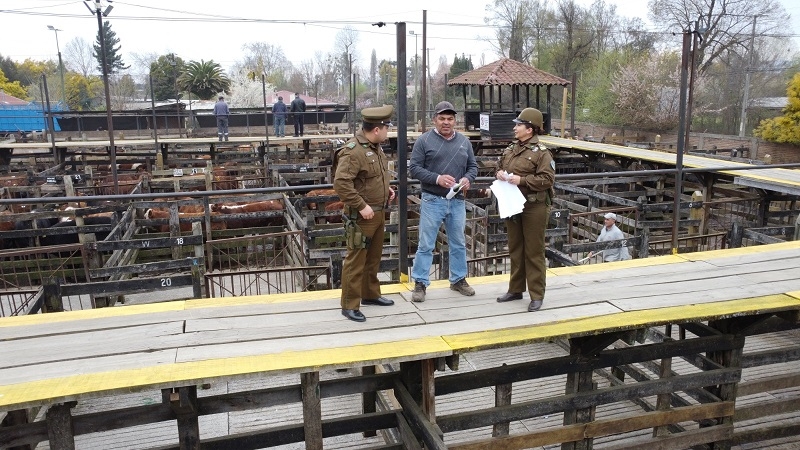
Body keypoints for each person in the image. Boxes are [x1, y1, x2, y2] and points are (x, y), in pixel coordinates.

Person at [409, 101, 478, 303]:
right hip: (432, 199)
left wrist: (468, 179)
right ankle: (420, 283)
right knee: (426, 243)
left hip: (457, 200)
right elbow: (414, 169)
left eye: (450, 119)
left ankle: (458, 279)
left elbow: (473, 167)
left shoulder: (464, 142)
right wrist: (437, 178)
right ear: (434, 120)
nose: (446, 122)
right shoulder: (423, 141)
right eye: (442, 118)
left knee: (458, 242)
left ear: (455, 120)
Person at [333, 105, 396, 322]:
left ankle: (370, 294)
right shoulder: (354, 150)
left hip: (378, 212)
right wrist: (361, 206)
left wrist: (385, 187)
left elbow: (371, 176)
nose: (388, 131)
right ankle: (349, 304)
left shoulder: (374, 146)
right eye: (387, 127)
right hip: (362, 216)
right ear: (377, 129)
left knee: (373, 258)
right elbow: (341, 183)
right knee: (356, 260)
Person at [495, 108, 555, 312]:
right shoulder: (511, 148)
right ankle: (516, 289)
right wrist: (501, 173)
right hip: (512, 203)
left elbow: (547, 180)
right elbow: (499, 166)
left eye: (518, 125)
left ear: (529, 129)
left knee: (534, 251)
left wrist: (522, 180)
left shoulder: (543, 153)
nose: (515, 127)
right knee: (515, 247)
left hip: (533, 206)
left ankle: (536, 295)